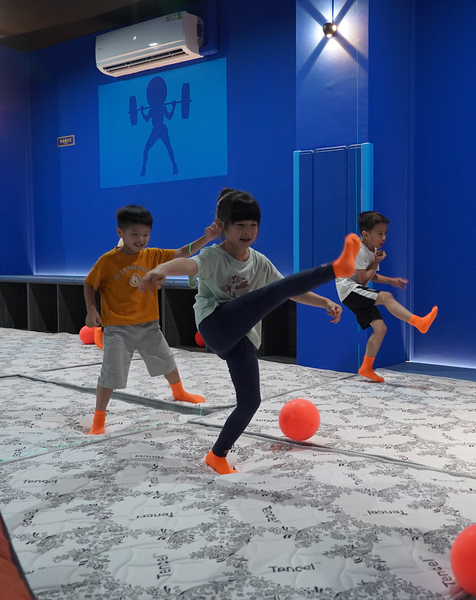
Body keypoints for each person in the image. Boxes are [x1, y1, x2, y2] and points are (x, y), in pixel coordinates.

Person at [138, 188, 360, 475]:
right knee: (272, 293)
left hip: (240, 337)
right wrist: (164, 269)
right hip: (215, 324)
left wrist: (324, 302)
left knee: (250, 401)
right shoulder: (213, 256)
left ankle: (217, 455)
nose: (248, 231)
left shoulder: (259, 261)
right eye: (240, 225)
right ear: (223, 226)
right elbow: (189, 264)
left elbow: (288, 290)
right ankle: (336, 268)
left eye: (253, 225)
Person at [84, 204, 217, 435]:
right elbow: (89, 283)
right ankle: (99, 418)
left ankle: (179, 392)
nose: (140, 239)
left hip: (149, 326)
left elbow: (182, 253)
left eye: (145, 234)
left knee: (166, 360)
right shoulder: (107, 261)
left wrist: (206, 238)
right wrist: (91, 310)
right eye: (134, 234)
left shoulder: (153, 255)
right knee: (111, 374)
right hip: (117, 329)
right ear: (120, 233)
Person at [335, 211, 437, 382]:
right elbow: (363, 279)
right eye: (379, 233)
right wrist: (376, 262)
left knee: (380, 329)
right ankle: (418, 322)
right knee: (386, 297)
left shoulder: (372, 250)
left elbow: (371, 276)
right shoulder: (359, 250)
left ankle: (366, 367)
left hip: (356, 289)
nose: (383, 238)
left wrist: (391, 281)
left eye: (385, 233)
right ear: (365, 234)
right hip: (349, 290)